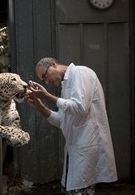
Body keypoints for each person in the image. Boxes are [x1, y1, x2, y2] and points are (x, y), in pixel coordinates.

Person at [26, 57, 118, 195]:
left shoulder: (80, 73)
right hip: (74, 150)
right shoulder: (67, 85)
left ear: (53, 65)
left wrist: (46, 96)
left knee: (82, 190)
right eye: (43, 80)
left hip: (86, 148)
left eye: (45, 76)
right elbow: (61, 121)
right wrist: (39, 105)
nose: (46, 82)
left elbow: (80, 108)